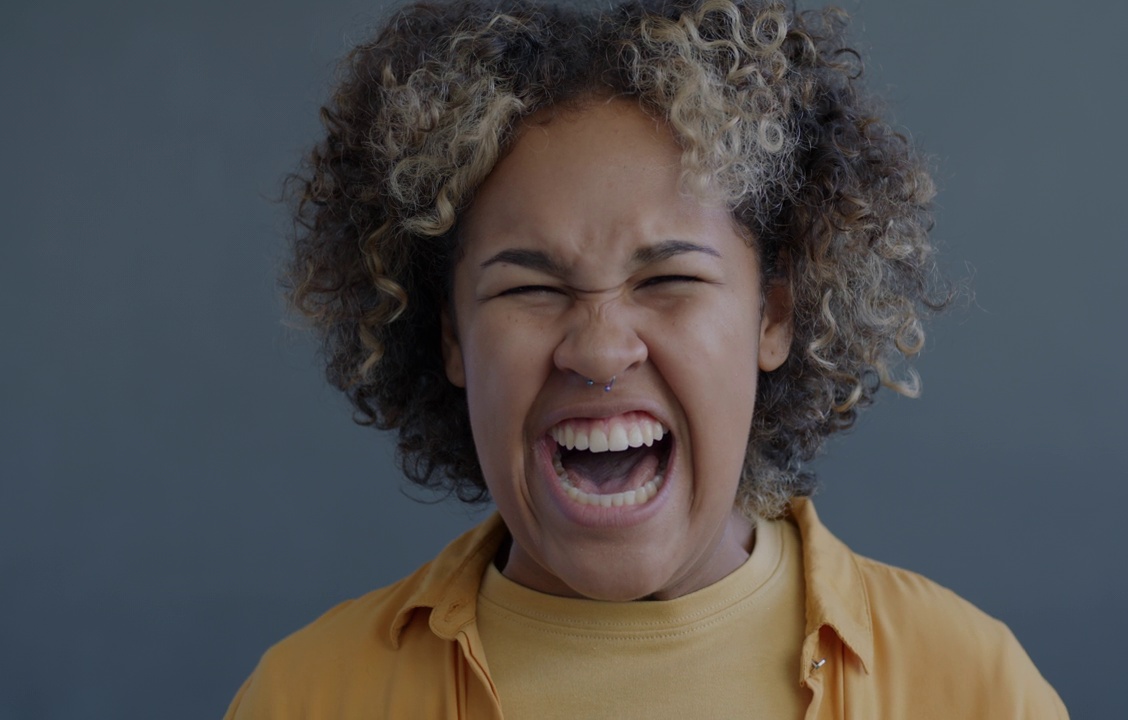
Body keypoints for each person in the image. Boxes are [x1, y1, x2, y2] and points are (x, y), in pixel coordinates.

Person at [226, 0, 1069, 717]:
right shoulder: (307, 696)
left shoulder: (972, 689)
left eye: (667, 277)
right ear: (451, 336)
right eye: (528, 288)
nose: (597, 349)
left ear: (773, 316)